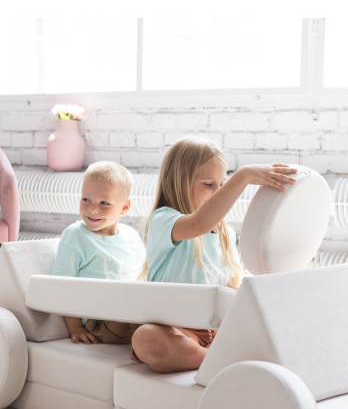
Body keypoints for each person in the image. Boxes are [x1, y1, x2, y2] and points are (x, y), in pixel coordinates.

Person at [131, 137, 297, 373]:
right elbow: (199, 223)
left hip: (216, 330)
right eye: (209, 184)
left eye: (222, 184)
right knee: (146, 339)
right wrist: (243, 176)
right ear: (178, 183)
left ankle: (222, 355)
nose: (219, 192)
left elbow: (231, 287)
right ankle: (220, 358)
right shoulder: (163, 219)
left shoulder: (224, 233)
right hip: (176, 329)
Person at [51, 161, 145, 344]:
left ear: (124, 207)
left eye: (104, 203)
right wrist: (76, 328)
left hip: (131, 308)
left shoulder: (131, 236)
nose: (93, 209)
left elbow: (143, 277)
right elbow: (62, 286)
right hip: (100, 320)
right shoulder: (75, 235)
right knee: (147, 327)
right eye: (86, 199)